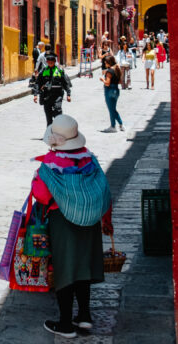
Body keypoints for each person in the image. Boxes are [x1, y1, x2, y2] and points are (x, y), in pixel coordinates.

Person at [30, 115, 113, 338]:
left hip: (63, 221)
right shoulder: (89, 159)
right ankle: (84, 316)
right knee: (83, 265)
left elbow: (42, 195)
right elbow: (103, 188)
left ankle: (66, 323)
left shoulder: (51, 163)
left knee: (65, 269)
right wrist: (107, 219)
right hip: (90, 220)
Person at [32, 53, 72, 131]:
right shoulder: (43, 71)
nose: (50, 62)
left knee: (58, 111)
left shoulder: (59, 71)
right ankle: (50, 132)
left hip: (57, 95)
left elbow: (65, 83)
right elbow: (37, 83)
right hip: (46, 96)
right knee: (48, 116)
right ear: (46, 61)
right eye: (49, 61)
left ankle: (59, 128)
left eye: (52, 61)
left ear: (55, 61)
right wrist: (35, 94)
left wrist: (68, 94)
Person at [100, 54, 124, 132]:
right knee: (113, 109)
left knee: (111, 109)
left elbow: (107, 83)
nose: (105, 64)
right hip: (116, 90)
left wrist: (102, 79)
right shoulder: (117, 69)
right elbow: (120, 82)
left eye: (105, 62)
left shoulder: (109, 71)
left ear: (109, 62)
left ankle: (114, 126)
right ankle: (119, 125)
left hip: (109, 90)